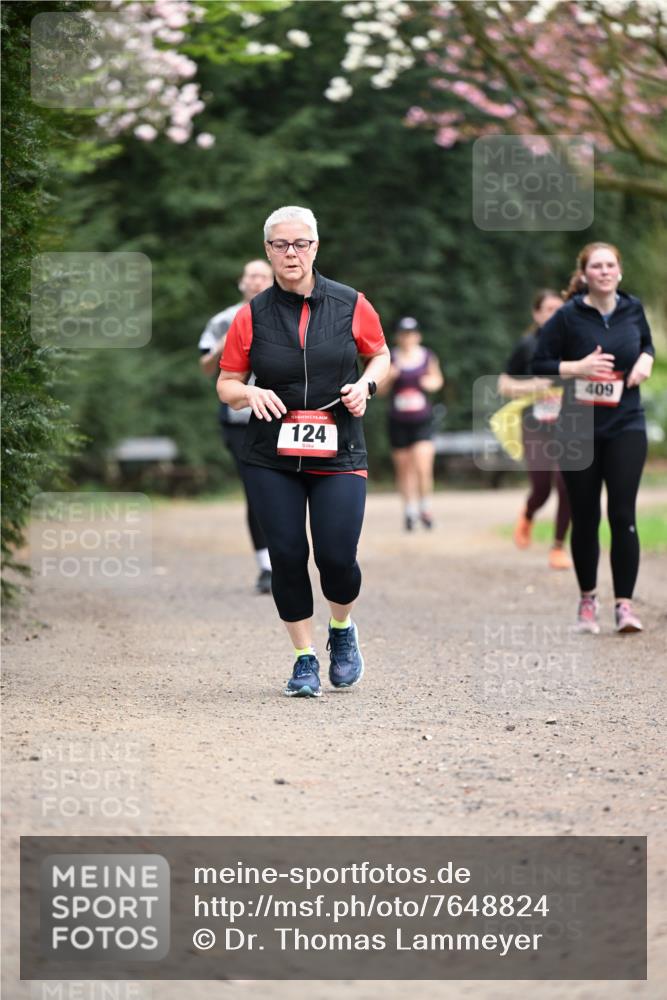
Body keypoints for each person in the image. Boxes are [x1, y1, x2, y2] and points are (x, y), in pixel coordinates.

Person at [217, 206, 390, 696]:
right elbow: (226, 383)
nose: (291, 254)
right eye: (280, 245)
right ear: (267, 250)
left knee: (337, 557)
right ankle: (304, 658)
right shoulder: (251, 315)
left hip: (339, 448)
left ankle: (342, 630)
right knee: (288, 555)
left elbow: (380, 355)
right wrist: (249, 393)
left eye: (300, 244)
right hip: (271, 453)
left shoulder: (351, 303)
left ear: (315, 246)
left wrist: (367, 386)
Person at [533, 242, 655, 634]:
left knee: (623, 515)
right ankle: (588, 601)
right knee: (586, 516)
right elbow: (539, 363)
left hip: (626, 423)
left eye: (610, 265)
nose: (604, 271)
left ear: (619, 271)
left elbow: (647, 344)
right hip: (577, 426)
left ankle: (624, 606)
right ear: (584, 274)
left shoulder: (633, 309)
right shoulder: (568, 317)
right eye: (596, 266)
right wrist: (578, 367)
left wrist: (646, 360)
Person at [199, 260, 274, 593]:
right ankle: (267, 567)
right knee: (257, 491)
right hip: (240, 420)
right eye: (251, 276)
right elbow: (204, 368)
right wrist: (223, 343)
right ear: (241, 282)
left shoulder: (287, 313)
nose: (256, 281)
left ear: (272, 281)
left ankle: (288, 558)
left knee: (286, 491)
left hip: (284, 416)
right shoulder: (223, 320)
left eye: (262, 276)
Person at [498, 289, 572, 570]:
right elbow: (503, 384)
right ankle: (528, 514)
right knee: (542, 487)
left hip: (569, 424)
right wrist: (534, 387)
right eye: (549, 309)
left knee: (567, 485)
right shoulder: (527, 345)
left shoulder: (575, 343)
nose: (555, 314)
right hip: (536, 425)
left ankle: (558, 547)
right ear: (537, 314)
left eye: (559, 309)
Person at [380, 317, 444, 530]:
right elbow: (379, 390)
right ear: (398, 337)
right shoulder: (390, 358)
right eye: (404, 334)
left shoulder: (427, 356)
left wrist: (430, 383)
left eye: (411, 333)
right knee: (404, 468)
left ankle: (425, 507)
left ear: (418, 336)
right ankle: (409, 511)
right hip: (398, 421)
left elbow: (437, 380)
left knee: (423, 466)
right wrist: (390, 377)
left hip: (422, 420)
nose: (408, 338)